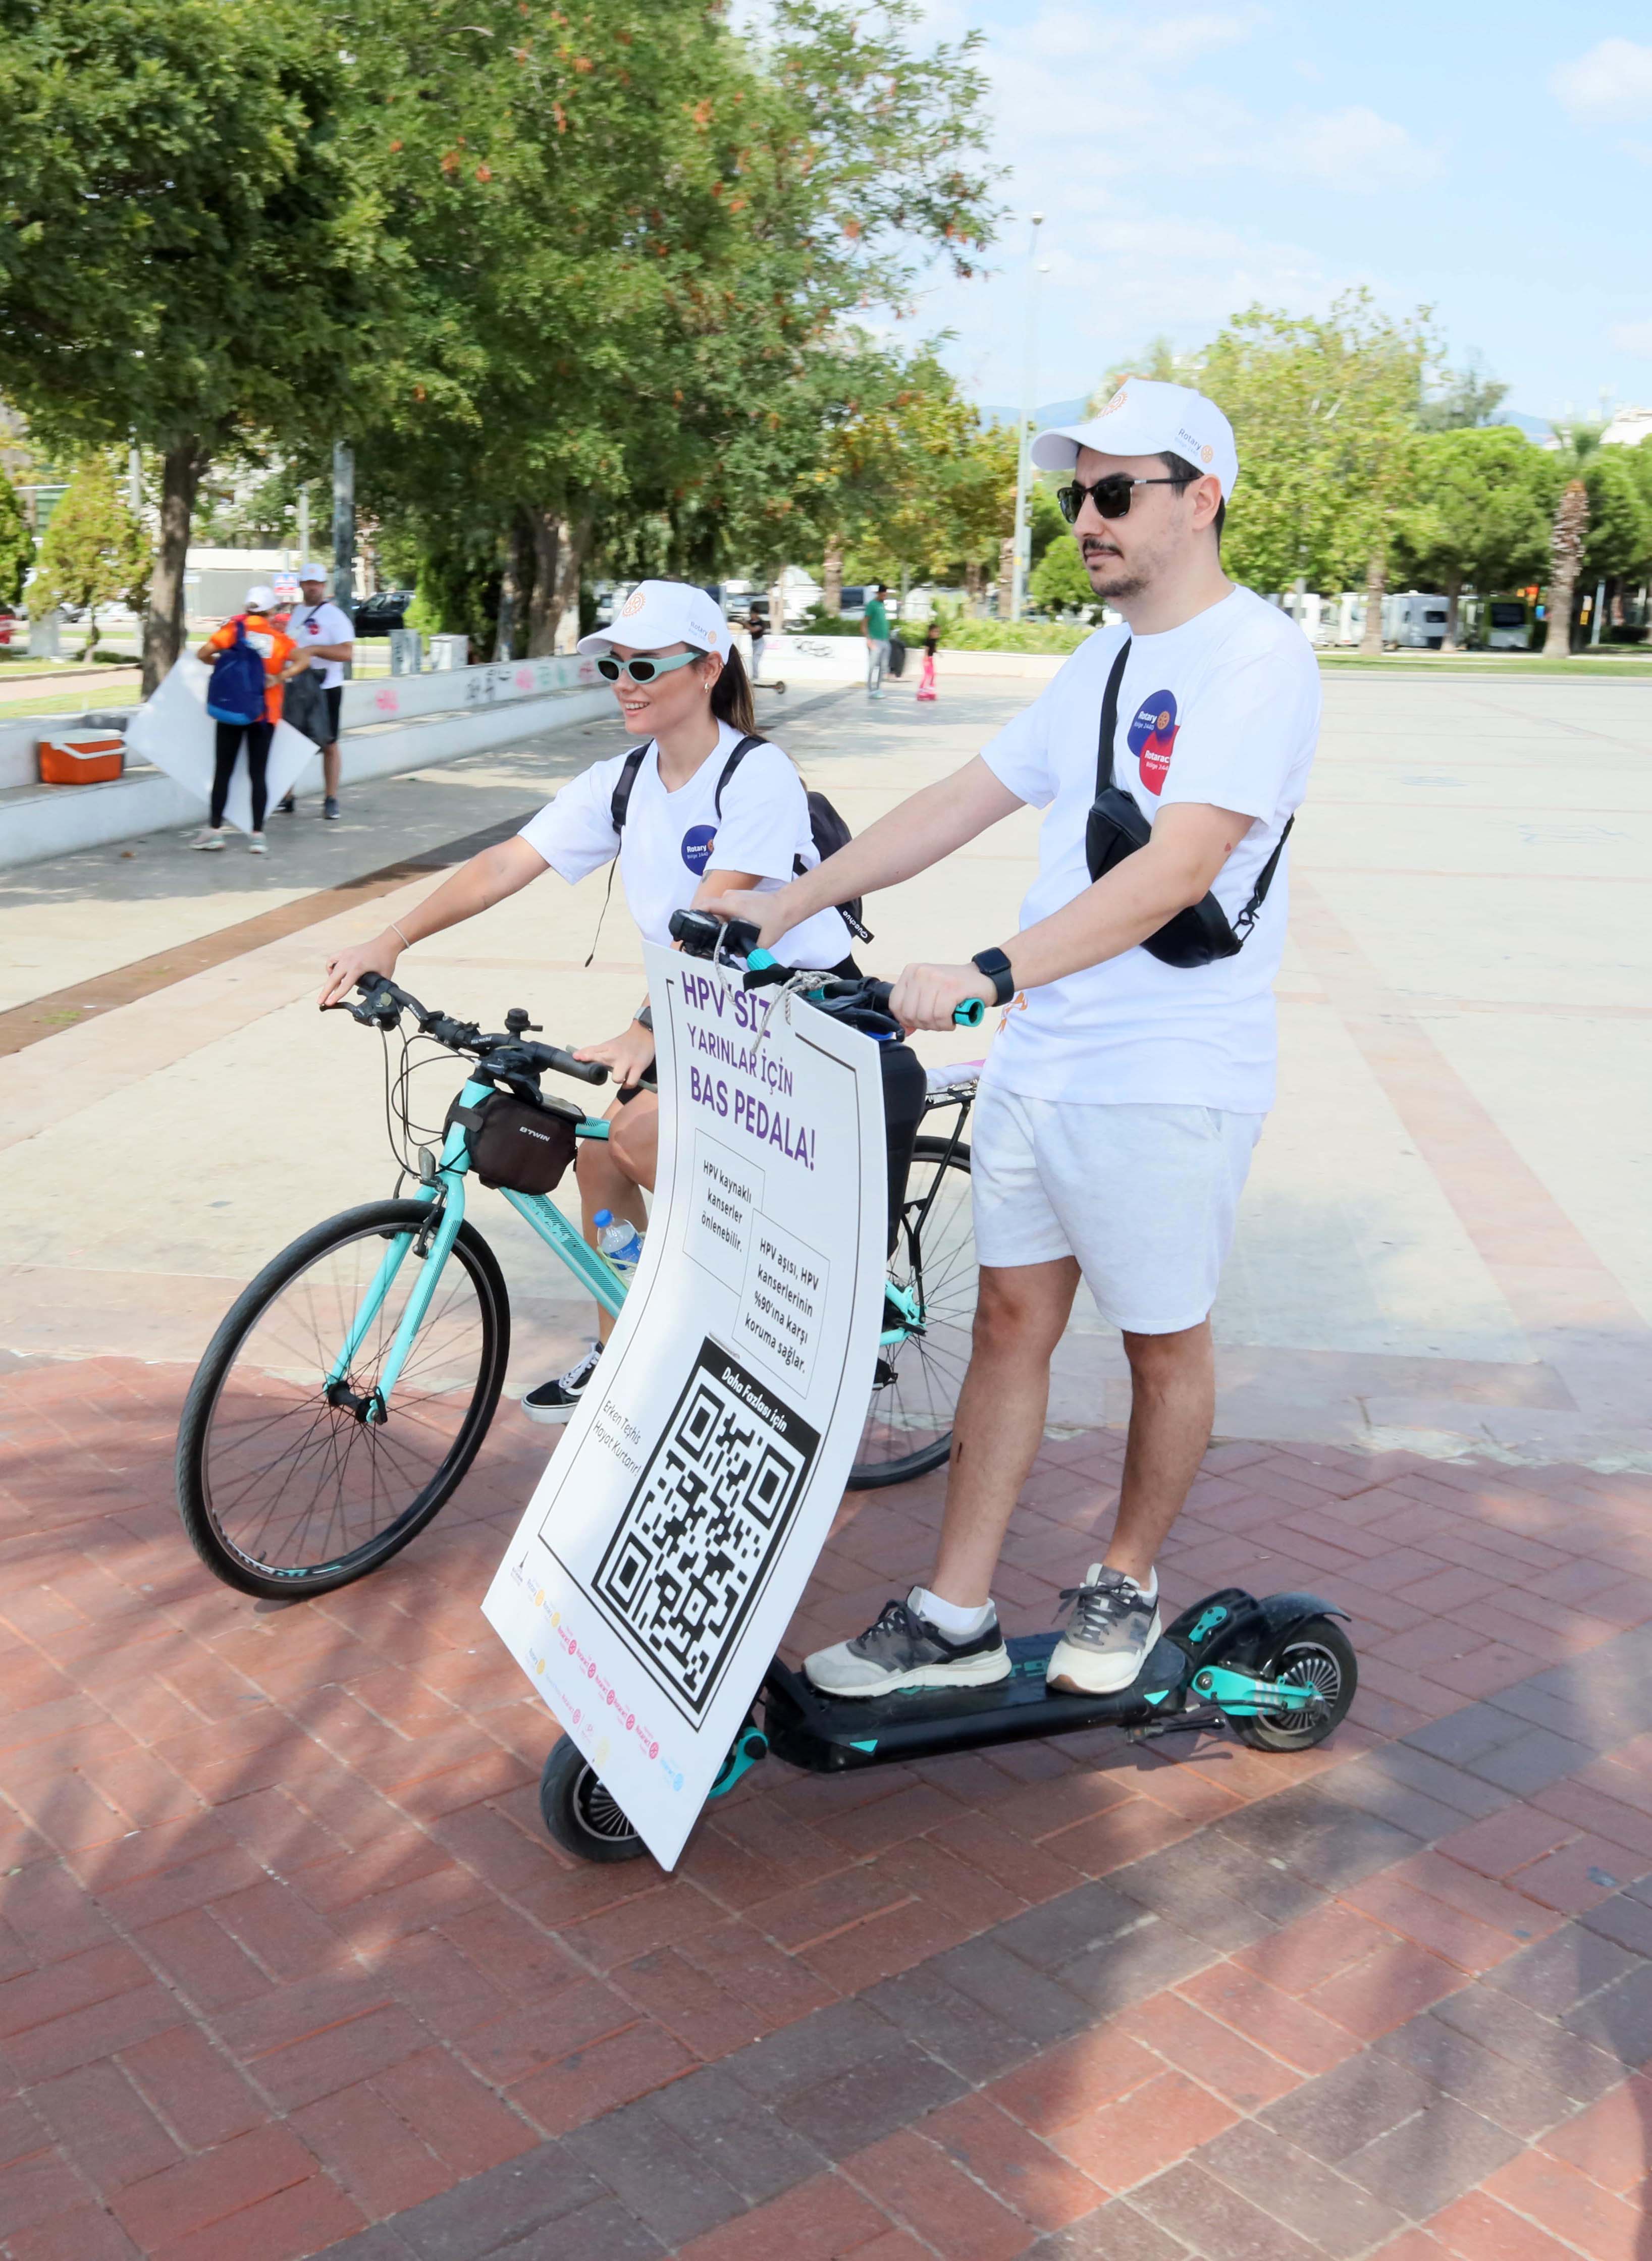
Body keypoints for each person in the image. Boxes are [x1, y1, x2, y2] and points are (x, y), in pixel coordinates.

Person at [705, 378, 1319, 1699]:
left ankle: (1127, 1575)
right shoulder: (1100, 662)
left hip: (1167, 1070)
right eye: (1075, 496)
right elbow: (962, 797)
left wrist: (987, 971)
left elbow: (1177, 870)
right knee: (1006, 1324)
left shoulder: (1258, 660)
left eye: (1114, 493)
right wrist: (788, 905)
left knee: (1162, 1340)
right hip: (1052, 1053)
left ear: (1200, 497)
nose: (1085, 520)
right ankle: (955, 1613)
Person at [317, 578, 860, 1421]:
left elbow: (717, 914)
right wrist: (391, 939)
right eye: (613, 663)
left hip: (795, 1009)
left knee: (638, 1136)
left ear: (708, 666)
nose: (624, 681)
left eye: (646, 663)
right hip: (702, 1014)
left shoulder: (756, 776)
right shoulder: (623, 781)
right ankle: (623, 1351)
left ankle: (770, 1316)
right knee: (599, 1151)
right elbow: (505, 862)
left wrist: (644, 1027)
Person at [192, 586, 307, 855]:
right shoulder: (278, 640)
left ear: (247, 609)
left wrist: (225, 665)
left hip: (231, 710)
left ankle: (216, 832)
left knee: (224, 771)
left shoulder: (232, 632)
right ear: (270, 612)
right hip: (264, 714)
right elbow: (304, 659)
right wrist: (279, 677)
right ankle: (257, 836)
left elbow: (202, 654)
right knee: (258, 774)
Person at [278, 564, 354, 819]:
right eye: (308, 582)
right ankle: (287, 796)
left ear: (324, 586)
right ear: (301, 584)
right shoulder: (296, 613)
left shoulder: (334, 616)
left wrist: (313, 651)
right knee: (290, 741)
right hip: (298, 687)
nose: (312, 587)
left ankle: (331, 798)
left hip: (326, 687)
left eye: (317, 583)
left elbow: (346, 652)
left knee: (330, 743)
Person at [863, 583, 891, 698]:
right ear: (878, 594)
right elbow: (864, 623)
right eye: (883, 595)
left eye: (886, 595)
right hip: (875, 641)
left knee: (883, 666)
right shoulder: (872, 605)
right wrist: (868, 639)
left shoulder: (882, 605)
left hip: (885, 640)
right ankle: (870, 690)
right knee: (873, 665)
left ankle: (879, 689)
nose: (884, 597)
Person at [916, 619, 939, 702]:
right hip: (927, 660)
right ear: (930, 632)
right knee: (927, 675)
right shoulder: (928, 640)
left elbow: (934, 648)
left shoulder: (934, 640)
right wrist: (925, 659)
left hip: (931, 659)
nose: (937, 633)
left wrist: (938, 652)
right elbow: (926, 649)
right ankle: (921, 691)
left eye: (938, 632)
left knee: (933, 674)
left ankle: (931, 690)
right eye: (935, 632)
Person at [746, 606, 767, 686]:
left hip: (760, 643)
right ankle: (754, 677)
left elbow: (753, 630)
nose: (752, 615)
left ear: (757, 614)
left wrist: (745, 623)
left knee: (755, 660)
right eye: (751, 613)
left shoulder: (761, 622)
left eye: (753, 613)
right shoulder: (750, 622)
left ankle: (756, 678)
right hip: (754, 643)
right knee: (753, 661)